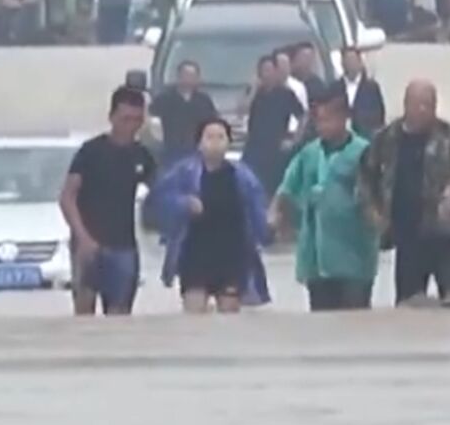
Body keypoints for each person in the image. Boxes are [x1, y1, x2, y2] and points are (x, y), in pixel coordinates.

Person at [359, 80, 450, 306]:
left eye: (428, 105)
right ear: (405, 105)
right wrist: (373, 210)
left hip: (445, 234)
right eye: (417, 104)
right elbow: (365, 174)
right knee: (408, 305)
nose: (422, 110)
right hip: (407, 235)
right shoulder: (386, 138)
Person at [269, 91, 379, 312]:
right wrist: (275, 213)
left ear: (343, 118)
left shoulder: (364, 153)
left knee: (355, 322)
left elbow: (378, 197)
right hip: (316, 260)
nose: (321, 126)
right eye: (318, 120)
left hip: (354, 259)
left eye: (327, 119)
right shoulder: (309, 154)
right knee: (321, 326)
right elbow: (287, 186)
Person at [151, 118, 273, 314]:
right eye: (209, 137)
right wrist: (184, 203)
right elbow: (160, 198)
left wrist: (267, 232)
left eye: (221, 137)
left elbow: (256, 208)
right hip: (194, 255)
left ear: (229, 142)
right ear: (199, 143)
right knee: (194, 314)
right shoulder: (184, 172)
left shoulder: (241, 175)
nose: (215, 142)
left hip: (232, 256)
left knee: (229, 315)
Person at [59, 86, 157, 316]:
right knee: (84, 313)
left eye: (137, 120)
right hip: (88, 245)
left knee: (120, 316)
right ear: (111, 117)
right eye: (125, 119)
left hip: (124, 246)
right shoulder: (91, 152)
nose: (130, 126)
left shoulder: (142, 155)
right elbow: (67, 197)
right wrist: (83, 238)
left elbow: (162, 192)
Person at [243, 54, 305, 197]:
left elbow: (302, 116)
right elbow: (241, 110)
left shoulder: (286, 93)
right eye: (264, 70)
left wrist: (295, 139)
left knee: (275, 187)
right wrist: (253, 90)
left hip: (276, 147)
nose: (267, 74)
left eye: (270, 70)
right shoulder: (254, 93)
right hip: (254, 146)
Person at [149, 60, 218, 167]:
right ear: (179, 76)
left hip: (196, 152)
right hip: (171, 151)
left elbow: (212, 122)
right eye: (186, 75)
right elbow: (152, 120)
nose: (189, 79)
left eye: (193, 76)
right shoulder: (165, 98)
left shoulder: (204, 100)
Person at [329, 47, 386, 138]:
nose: (350, 64)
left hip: (365, 137)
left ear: (360, 62)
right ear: (342, 63)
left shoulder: (371, 87)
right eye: (347, 61)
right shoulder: (334, 88)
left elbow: (379, 116)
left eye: (353, 60)